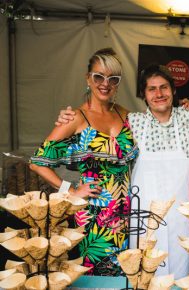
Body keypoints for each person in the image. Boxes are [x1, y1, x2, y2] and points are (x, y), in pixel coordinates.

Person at [55, 64, 189, 278]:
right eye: (151, 89)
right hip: (140, 221)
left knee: (177, 278)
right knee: (142, 278)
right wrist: (70, 117)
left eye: (164, 87)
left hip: (178, 222)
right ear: (144, 95)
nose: (159, 94)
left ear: (173, 90)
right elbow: (97, 120)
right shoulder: (131, 122)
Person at [30, 48, 139, 276]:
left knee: (126, 275)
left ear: (118, 83)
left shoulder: (126, 115)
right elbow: (37, 162)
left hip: (125, 213)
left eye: (113, 79)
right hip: (92, 215)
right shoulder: (77, 118)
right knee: (95, 277)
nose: (105, 83)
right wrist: (70, 190)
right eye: (99, 76)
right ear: (88, 78)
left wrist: (186, 104)